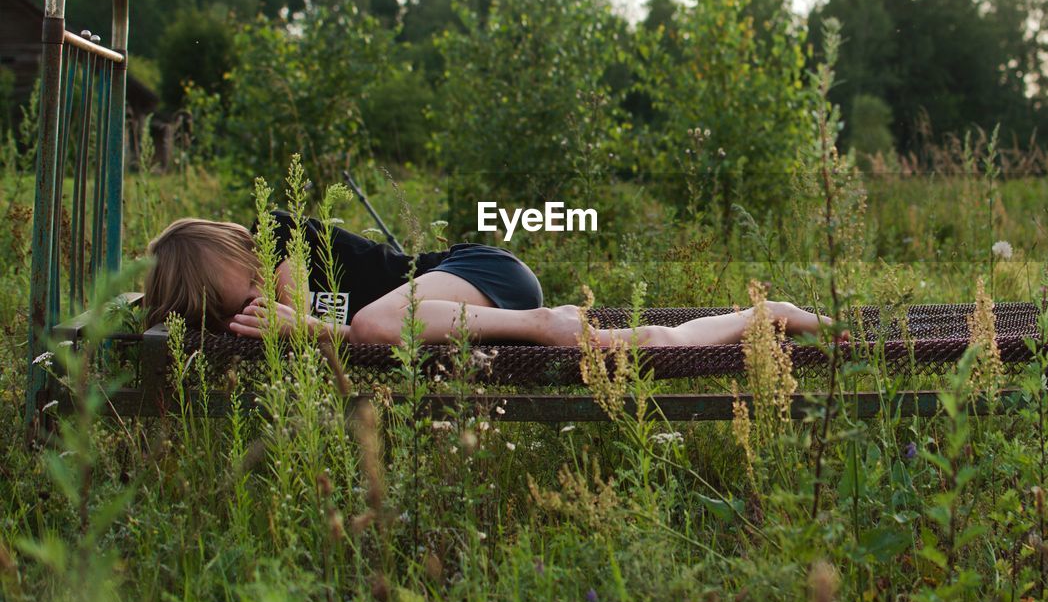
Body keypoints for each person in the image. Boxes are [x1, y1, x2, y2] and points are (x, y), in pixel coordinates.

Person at [143, 213, 832, 347]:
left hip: (474, 272)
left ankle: (546, 324)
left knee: (375, 325)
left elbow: (355, 336)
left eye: (250, 291)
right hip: (457, 309)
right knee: (650, 341)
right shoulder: (241, 305)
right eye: (239, 311)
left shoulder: (283, 236)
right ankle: (765, 315)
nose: (260, 306)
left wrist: (302, 330)